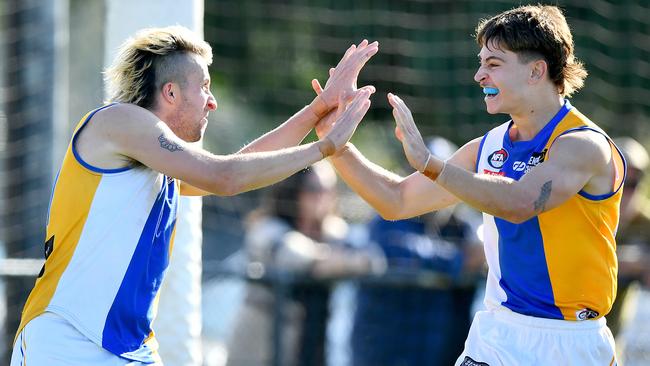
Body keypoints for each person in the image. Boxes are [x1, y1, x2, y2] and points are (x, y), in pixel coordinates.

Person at [10, 26, 378, 365]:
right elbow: (225, 176)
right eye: (204, 85)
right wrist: (326, 147)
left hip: (126, 348)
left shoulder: (155, 161)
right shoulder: (120, 120)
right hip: (68, 340)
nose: (212, 100)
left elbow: (238, 166)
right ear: (170, 92)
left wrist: (317, 112)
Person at [313, 5, 626, 365]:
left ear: (537, 71)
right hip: (497, 334)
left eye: (493, 64)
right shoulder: (487, 147)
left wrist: (431, 164)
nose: (479, 76)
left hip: (569, 342)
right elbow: (395, 201)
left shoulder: (583, 144)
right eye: (481, 64)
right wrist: (334, 144)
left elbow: (521, 202)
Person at [226, 162, 379, 366]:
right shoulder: (266, 227)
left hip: (310, 350)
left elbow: (374, 259)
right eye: (313, 189)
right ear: (293, 191)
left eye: (329, 189)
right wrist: (343, 260)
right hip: (259, 351)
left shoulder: (333, 232)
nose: (322, 197)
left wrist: (347, 258)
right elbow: (301, 258)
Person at [350, 137, 484, 366]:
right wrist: (458, 259)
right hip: (386, 354)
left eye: (442, 179)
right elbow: (394, 248)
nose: (434, 188)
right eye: (426, 178)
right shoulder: (388, 218)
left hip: (441, 355)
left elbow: (484, 252)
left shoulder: (462, 227)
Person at [606, 137, 650, 360]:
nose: (627, 191)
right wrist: (625, 263)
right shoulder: (584, 215)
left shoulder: (646, 222)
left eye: (635, 183)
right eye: (621, 180)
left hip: (617, 338)